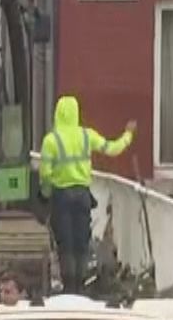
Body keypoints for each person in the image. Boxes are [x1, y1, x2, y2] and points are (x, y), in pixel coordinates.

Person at [39, 96, 136, 291]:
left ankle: (69, 286)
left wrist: (45, 194)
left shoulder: (51, 141)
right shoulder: (86, 136)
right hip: (83, 196)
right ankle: (81, 286)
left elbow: (45, 174)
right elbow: (112, 148)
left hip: (62, 197)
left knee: (65, 242)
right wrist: (128, 135)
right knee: (81, 241)